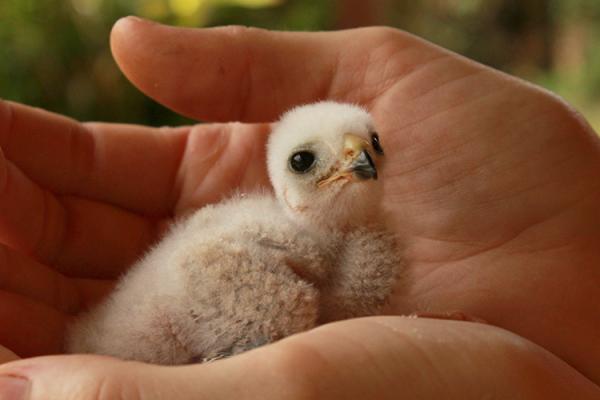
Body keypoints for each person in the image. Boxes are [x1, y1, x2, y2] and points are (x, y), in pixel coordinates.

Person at [0, 17, 599, 399]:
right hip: (129, 340)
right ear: (283, 184)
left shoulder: (337, 253)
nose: (355, 161)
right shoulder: (263, 264)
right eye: (308, 162)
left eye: (369, 147)